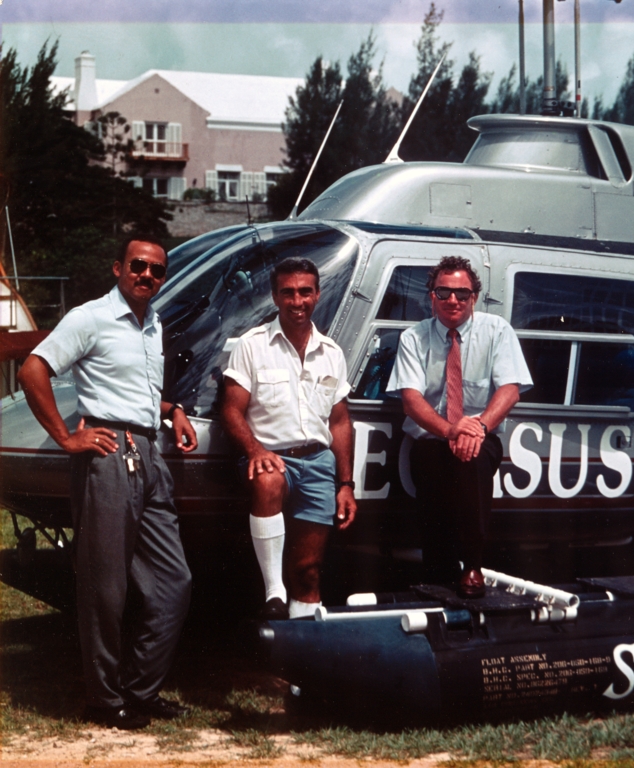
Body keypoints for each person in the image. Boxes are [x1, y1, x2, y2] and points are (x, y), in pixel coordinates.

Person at [17, 237, 197, 730]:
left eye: (157, 270)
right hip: (109, 455)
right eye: (138, 266)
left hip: (151, 455)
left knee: (172, 582)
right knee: (106, 587)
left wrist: (174, 410)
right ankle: (103, 700)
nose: (147, 275)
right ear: (118, 267)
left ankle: (140, 689)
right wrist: (64, 438)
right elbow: (33, 368)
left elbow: (136, 391)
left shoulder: (152, 324)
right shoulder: (90, 317)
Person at [387, 256, 532, 597]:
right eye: (445, 292)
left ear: (474, 298)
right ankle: (437, 575)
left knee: (472, 462)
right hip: (433, 436)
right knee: (430, 468)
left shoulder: (497, 331)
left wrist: (476, 428)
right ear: (431, 296)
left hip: (482, 434)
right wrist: (451, 431)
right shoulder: (413, 338)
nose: (453, 300)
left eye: (462, 294)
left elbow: (510, 389)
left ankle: (472, 565)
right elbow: (411, 399)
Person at [222, 257, 356, 621]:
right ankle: (273, 590)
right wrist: (254, 449)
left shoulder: (332, 353)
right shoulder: (252, 345)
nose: (297, 301)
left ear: (317, 295)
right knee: (268, 479)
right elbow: (231, 409)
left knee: (309, 571)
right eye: (288, 293)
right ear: (275, 296)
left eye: (305, 292)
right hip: (272, 457)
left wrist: (346, 484)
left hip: (317, 464)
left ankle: (300, 671)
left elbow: (341, 422)